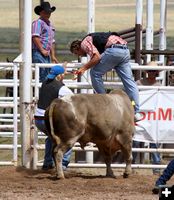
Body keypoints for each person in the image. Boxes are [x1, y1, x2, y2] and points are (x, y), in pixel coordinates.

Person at [70, 32, 141, 122]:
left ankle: (104, 101)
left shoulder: (84, 43)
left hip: (113, 51)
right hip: (125, 51)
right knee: (130, 83)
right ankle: (136, 112)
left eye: (77, 53)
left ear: (77, 47)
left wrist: (83, 68)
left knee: (94, 73)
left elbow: (97, 57)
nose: (79, 55)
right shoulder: (96, 39)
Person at [34, 65, 73, 170]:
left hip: (38, 119)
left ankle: (47, 163)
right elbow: (74, 99)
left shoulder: (44, 83)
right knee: (68, 138)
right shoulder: (61, 87)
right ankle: (63, 164)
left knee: (51, 138)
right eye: (63, 74)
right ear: (59, 75)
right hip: (49, 119)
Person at [133, 61, 161, 175]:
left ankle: (156, 169)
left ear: (157, 73)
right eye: (150, 70)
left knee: (154, 142)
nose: (152, 73)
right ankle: (132, 166)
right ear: (146, 72)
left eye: (153, 71)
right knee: (135, 140)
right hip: (140, 115)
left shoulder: (159, 85)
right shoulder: (138, 83)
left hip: (153, 117)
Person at [32, 2, 58, 82]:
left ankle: (44, 92)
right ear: (40, 12)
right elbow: (35, 37)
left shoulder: (50, 25)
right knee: (42, 74)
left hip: (46, 53)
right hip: (38, 52)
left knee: (47, 73)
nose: (48, 14)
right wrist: (42, 50)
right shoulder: (38, 23)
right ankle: (42, 93)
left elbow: (52, 41)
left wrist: (52, 55)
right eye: (46, 12)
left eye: (49, 12)